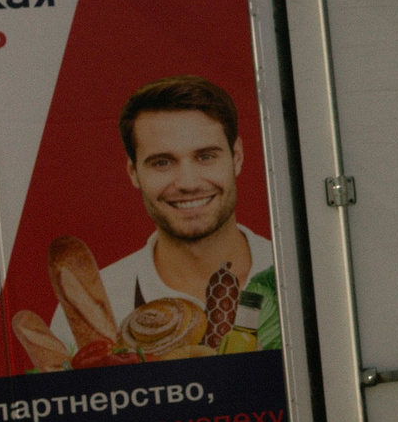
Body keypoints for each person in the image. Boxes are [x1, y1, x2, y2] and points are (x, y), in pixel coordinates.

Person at [59, 77, 280, 347]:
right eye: (162, 162)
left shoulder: (297, 275)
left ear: (236, 157)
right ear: (134, 173)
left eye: (206, 157)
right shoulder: (95, 310)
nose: (188, 183)